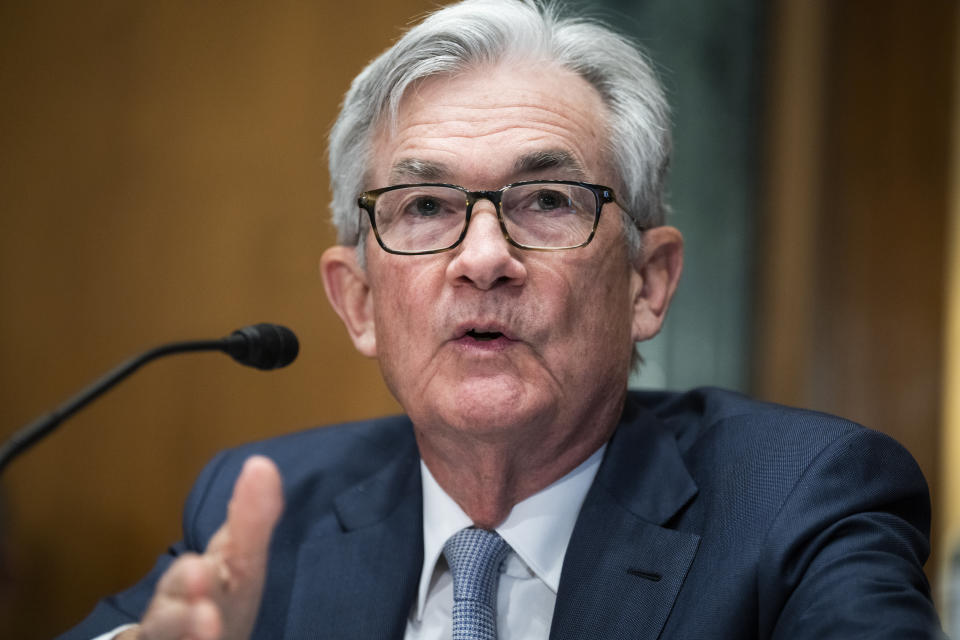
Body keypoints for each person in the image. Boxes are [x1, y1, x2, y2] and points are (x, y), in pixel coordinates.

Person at [60, 1, 943, 638]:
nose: (483, 257)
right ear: (358, 302)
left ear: (648, 283)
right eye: (424, 206)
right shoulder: (267, 509)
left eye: (548, 199)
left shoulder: (802, 501)